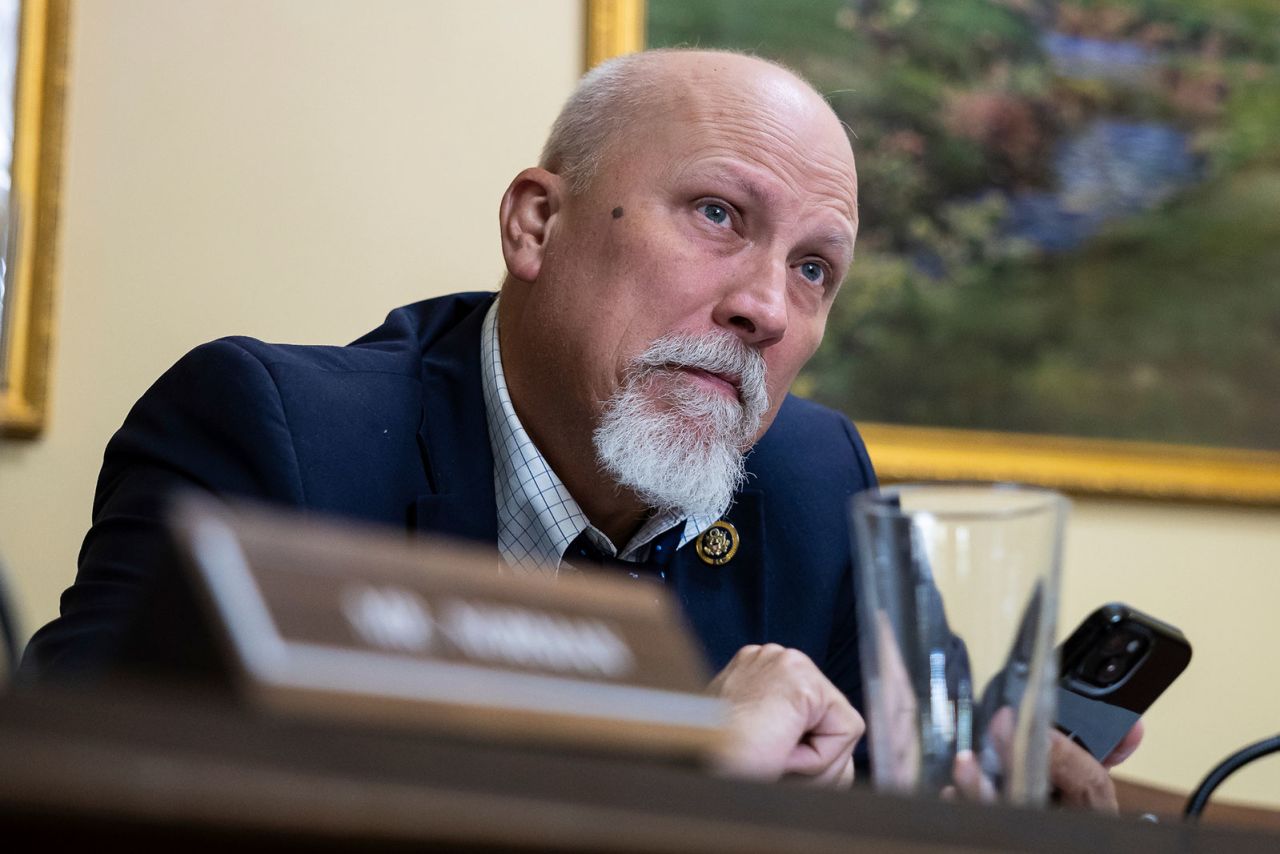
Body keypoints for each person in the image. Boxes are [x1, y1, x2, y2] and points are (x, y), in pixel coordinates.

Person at [23, 49, 1136, 805]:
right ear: (536, 222)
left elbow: (896, 784)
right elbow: (61, 793)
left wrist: (982, 776)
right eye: (717, 215)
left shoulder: (812, 479)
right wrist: (669, 760)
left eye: (812, 268)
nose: (764, 305)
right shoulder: (273, 436)